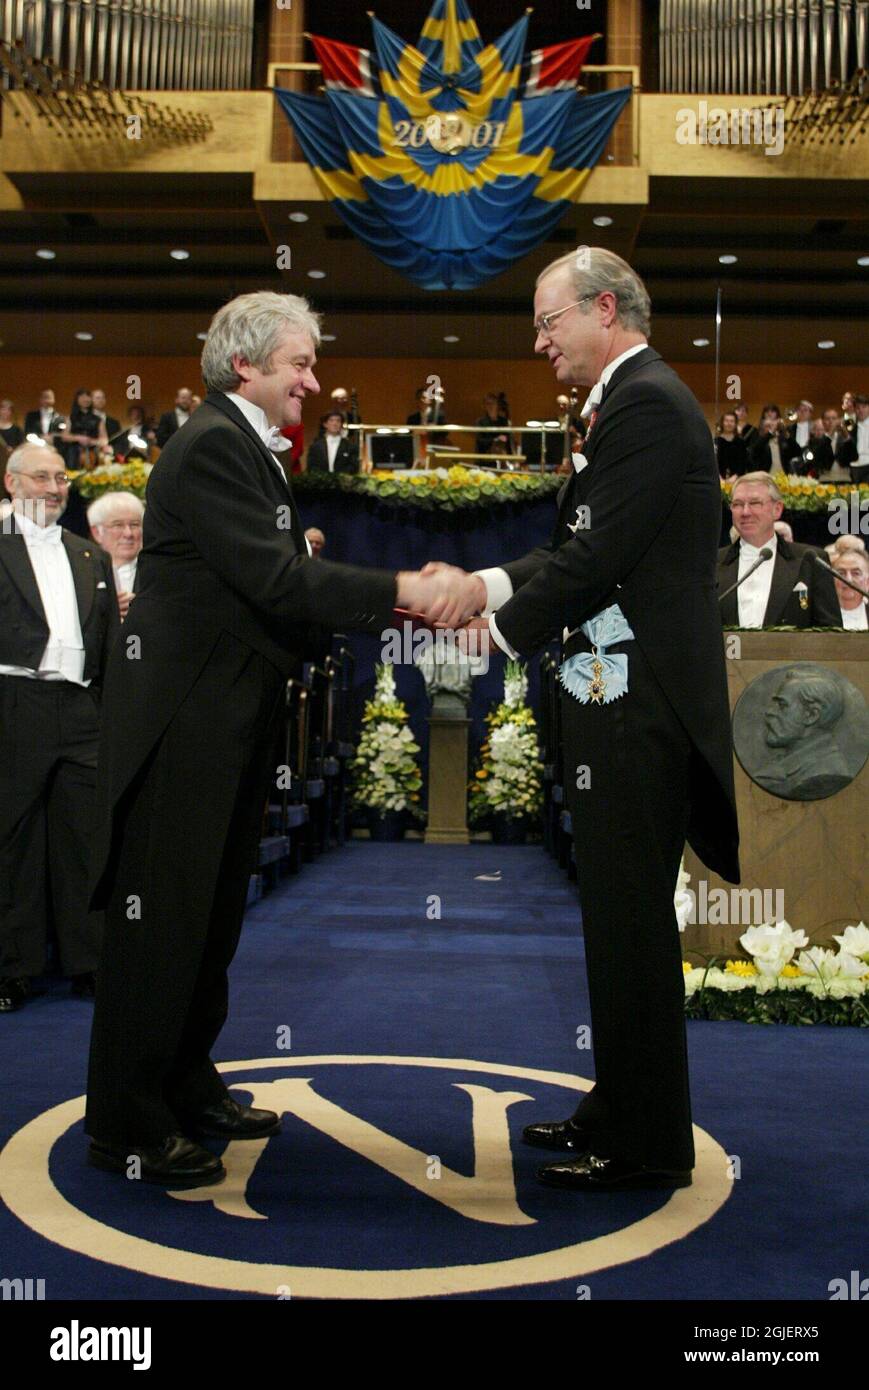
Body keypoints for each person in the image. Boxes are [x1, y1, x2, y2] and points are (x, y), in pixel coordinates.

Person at [83, 290, 474, 1189]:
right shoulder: (217, 443)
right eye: (300, 364)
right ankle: (129, 1125)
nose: (314, 380)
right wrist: (407, 590)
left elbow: (268, 581)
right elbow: (275, 580)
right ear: (245, 365)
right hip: (185, 725)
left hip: (226, 718)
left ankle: (185, 1082)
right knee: (162, 923)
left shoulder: (246, 447)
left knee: (210, 917)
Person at [424, 246, 740, 1192]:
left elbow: (595, 558)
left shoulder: (644, 401)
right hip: (614, 693)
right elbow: (576, 546)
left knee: (630, 922)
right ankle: (621, 1105)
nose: (538, 341)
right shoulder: (626, 400)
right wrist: (483, 584)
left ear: (604, 308)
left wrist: (496, 624)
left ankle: (646, 1144)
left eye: (546, 320)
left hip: (638, 707)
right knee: (612, 917)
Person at [0, 444, 119, 1013]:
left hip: (81, 709)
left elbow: (112, 644)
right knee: (13, 839)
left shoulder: (87, 554)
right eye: (42, 477)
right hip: (13, 701)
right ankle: (11, 970)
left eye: (62, 477)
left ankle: (90, 962)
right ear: (11, 482)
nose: (54, 487)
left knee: (85, 839)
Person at [717, 472, 840, 627]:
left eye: (755, 503)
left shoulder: (810, 560)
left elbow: (831, 634)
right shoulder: (713, 563)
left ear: (777, 509)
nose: (745, 512)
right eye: (737, 504)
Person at [87, 491, 144, 622]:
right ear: (97, 533)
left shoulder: (157, 571)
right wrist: (108, 610)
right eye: (118, 525)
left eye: (134, 525)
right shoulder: (84, 573)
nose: (128, 533)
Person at [828, 538, 869, 630]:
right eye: (841, 573)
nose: (848, 579)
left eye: (856, 573)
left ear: (867, 582)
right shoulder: (819, 615)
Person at [306, 409, 359, 473]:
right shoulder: (315, 446)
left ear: (341, 424)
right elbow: (311, 466)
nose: (335, 423)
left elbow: (353, 467)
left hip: (343, 481)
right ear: (325, 424)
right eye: (331, 420)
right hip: (320, 481)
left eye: (338, 421)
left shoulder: (350, 446)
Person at [714, 409, 748, 478]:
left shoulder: (741, 442)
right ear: (722, 423)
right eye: (726, 421)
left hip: (736, 480)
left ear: (735, 424)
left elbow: (743, 463)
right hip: (719, 480)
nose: (729, 423)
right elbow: (713, 463)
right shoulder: (716, 441)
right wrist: (719, 479)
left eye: (732, 421)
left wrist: (735, 477)